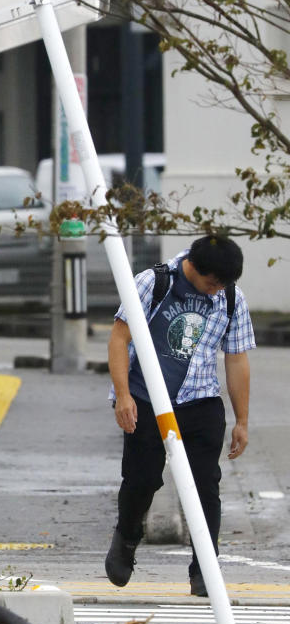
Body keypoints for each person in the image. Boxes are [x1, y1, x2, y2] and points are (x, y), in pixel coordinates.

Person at [105, 234, 254, 597]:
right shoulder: (153, 283)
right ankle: (127, 536)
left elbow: (236, 359)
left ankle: (205, 567)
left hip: (200, 401)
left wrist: (242, 420)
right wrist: (123, 396)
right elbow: (118, 339)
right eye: (211, 282)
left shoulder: (230, 297)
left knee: (206, 485)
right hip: (146, 398)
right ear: (193, 268)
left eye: (224, 284)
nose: (216, 290)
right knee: (141, 481)